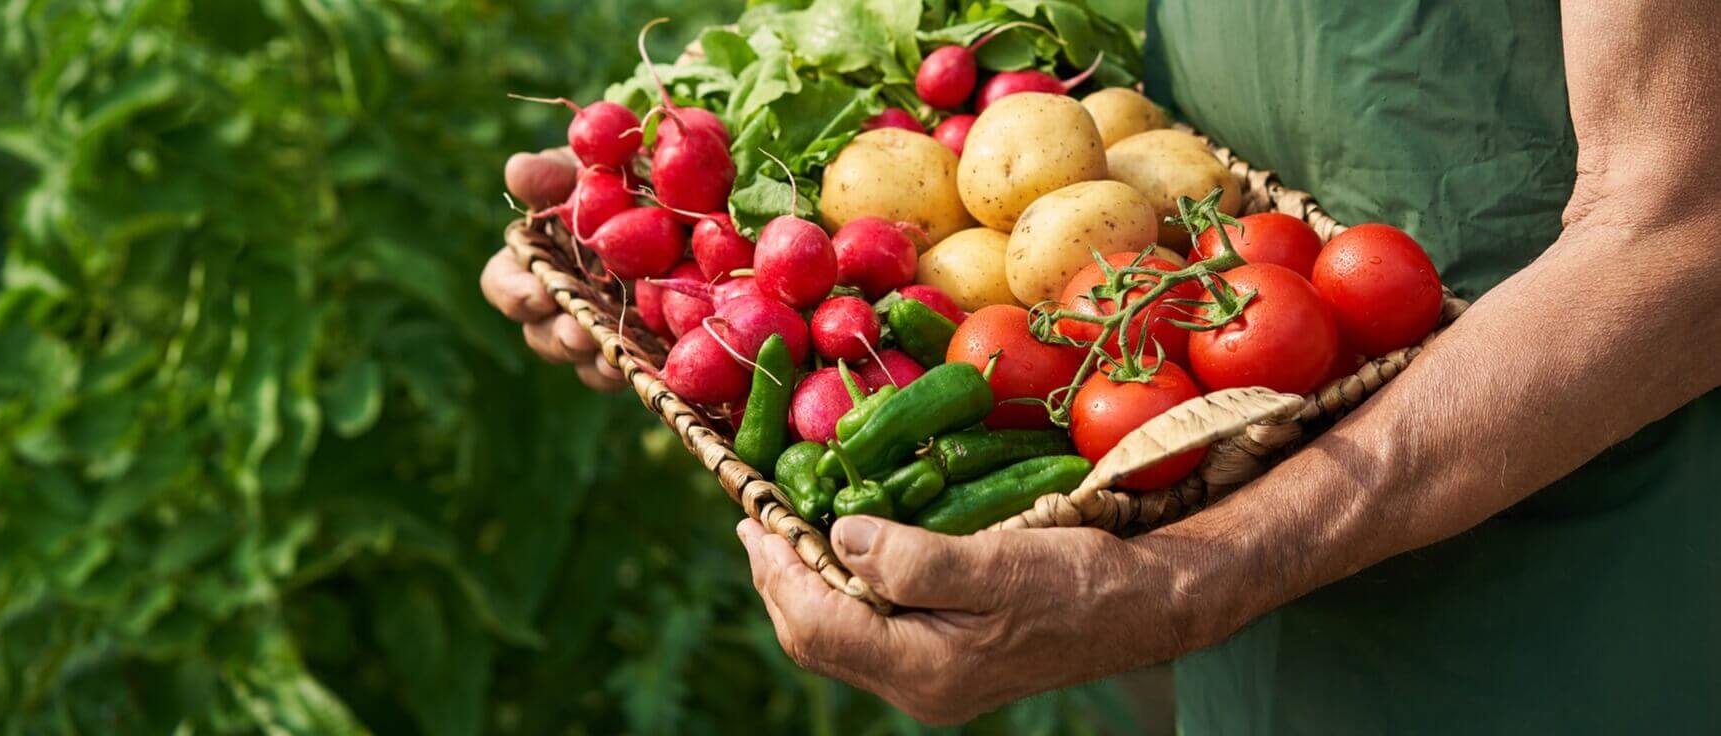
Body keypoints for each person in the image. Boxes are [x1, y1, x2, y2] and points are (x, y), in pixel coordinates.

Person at [481, 0, 1721, 730]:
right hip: (1212, 432)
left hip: (1585, 536)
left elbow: (1687, 234)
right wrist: (700, 255)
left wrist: (1188, 582)